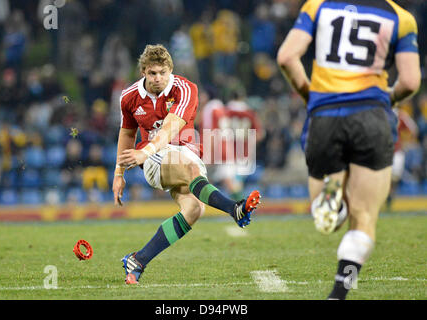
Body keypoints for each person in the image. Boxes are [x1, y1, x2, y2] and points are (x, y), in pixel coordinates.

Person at [277, 0, 421, 299]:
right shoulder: (402, 18)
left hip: (325, 116)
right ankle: (338, 294)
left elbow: (287, 57)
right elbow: (409, 81)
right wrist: (388, 100)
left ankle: (333, 198)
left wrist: (311, 96)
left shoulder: (318, 6)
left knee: (326, 220)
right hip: (371, 114)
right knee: (365, 216)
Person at [112, 44, 261, 284]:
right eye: (152, 73)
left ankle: (138, 260)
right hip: (154, 159)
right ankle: (235, 208)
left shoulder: (186, 89)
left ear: (171, 70)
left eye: (162, 72)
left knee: (193, 210)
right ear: (143, 72)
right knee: (189, 169)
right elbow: (127, 134)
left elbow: (172, 124)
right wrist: (119, 173)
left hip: (186, 153)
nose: (158, 78)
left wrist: (146, 150)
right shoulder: (129, 97)